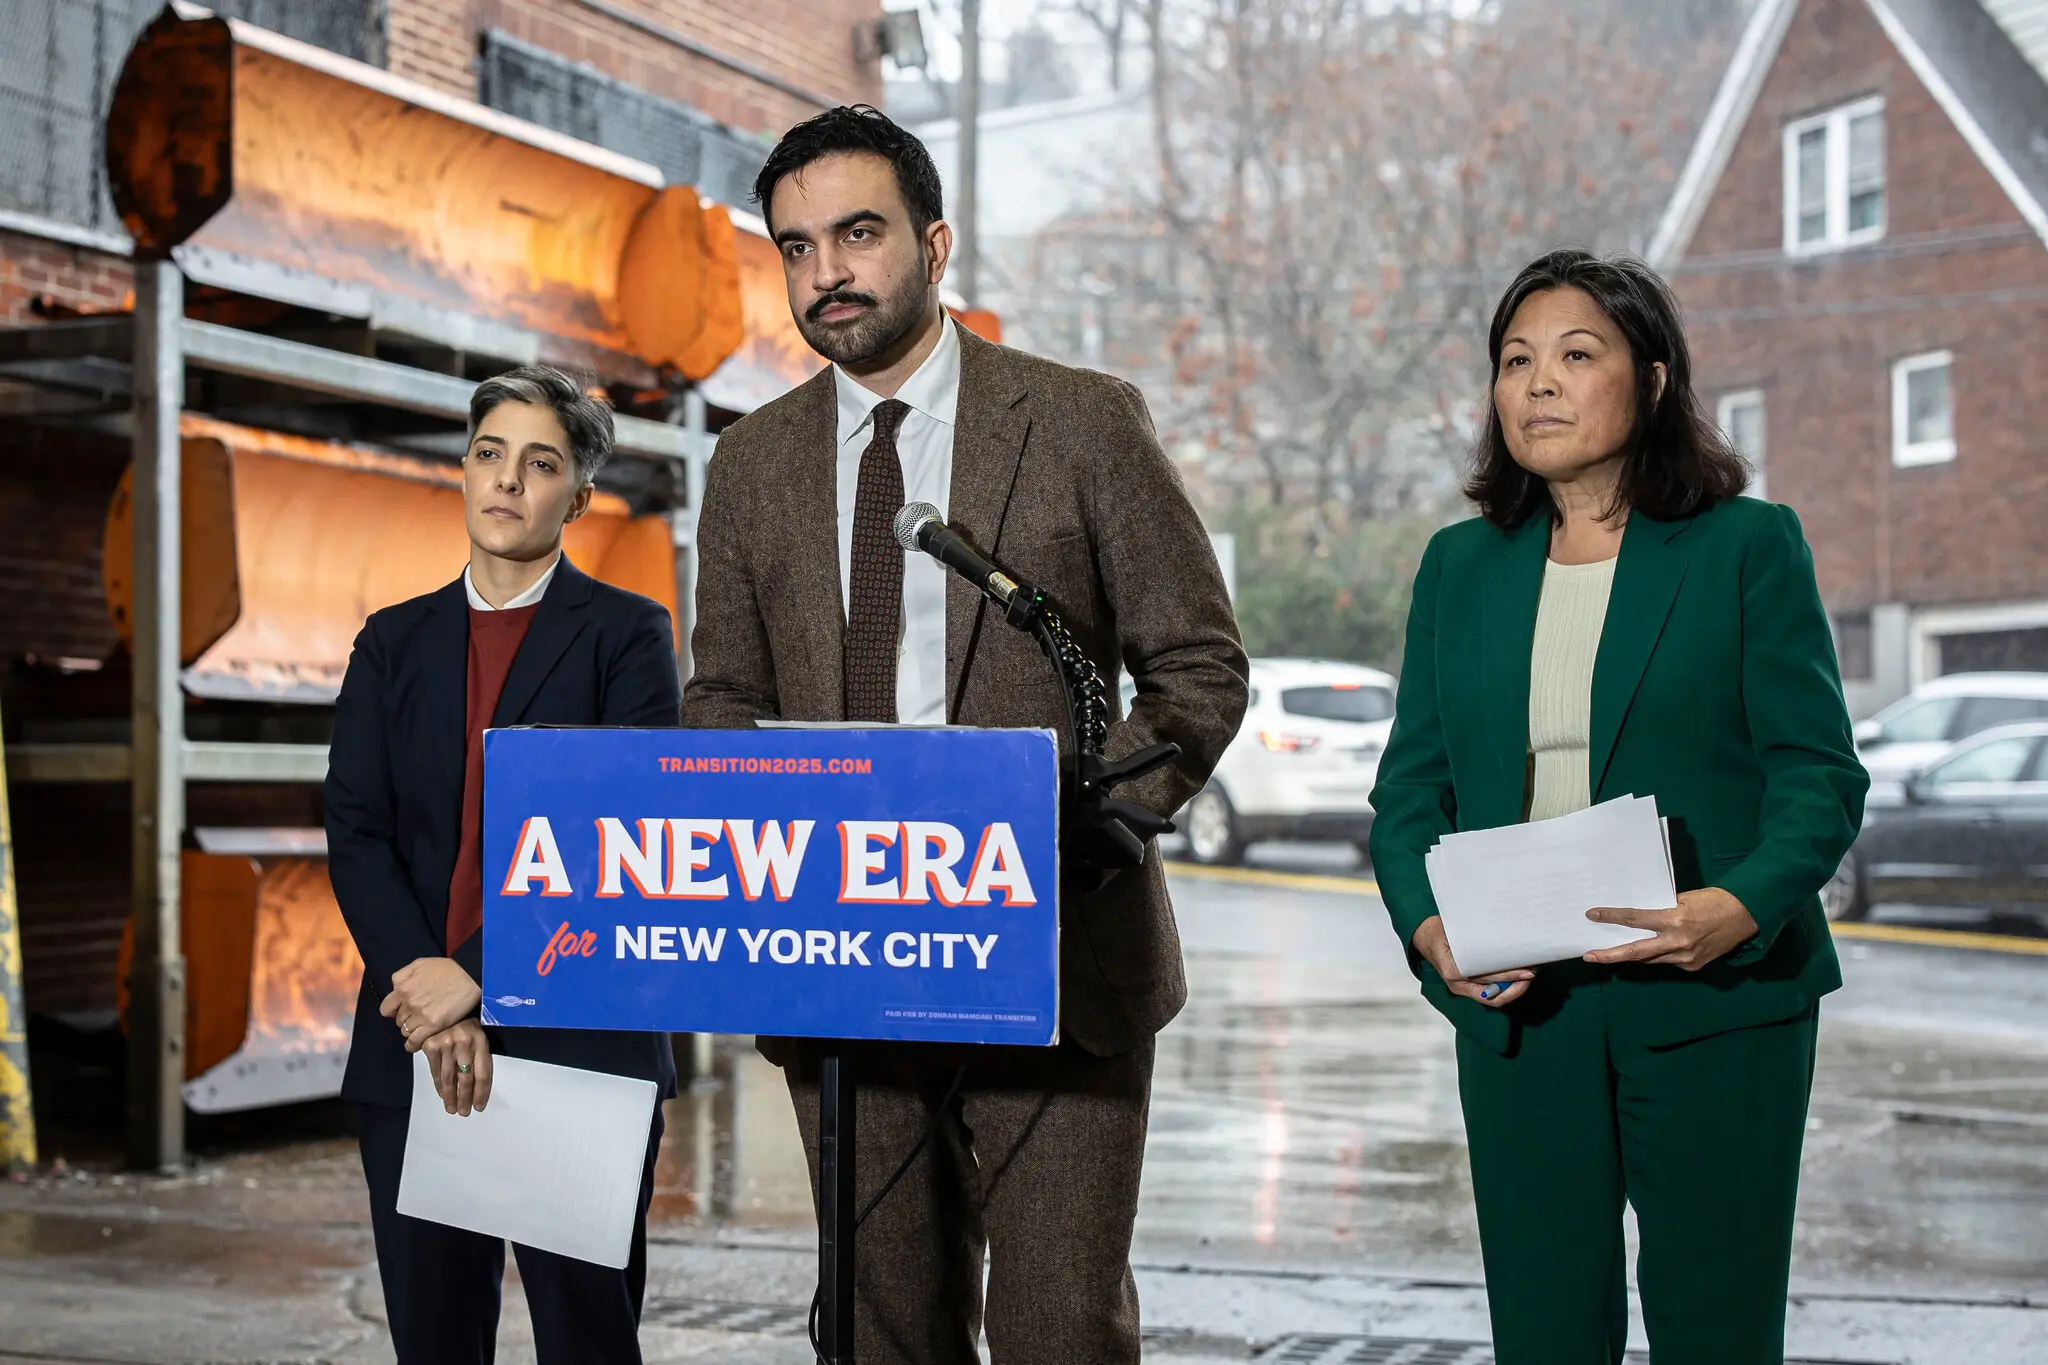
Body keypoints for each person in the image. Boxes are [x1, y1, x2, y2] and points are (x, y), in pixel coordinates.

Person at [683, 105, 1247, 1363]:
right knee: (886, 1331)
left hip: (1052, 952)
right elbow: (717, 697)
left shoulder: (1080, 420)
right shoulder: (751, 465)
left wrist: (1087, 829)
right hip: (840, 963)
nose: (824, 271)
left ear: (934, 245)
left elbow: (1197, 667)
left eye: (857, 232)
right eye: (793, 246)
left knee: (1056, 1332)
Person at [1368, 250, 1868, 1365]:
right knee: (1542, 1331)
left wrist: (1737, 907)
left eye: (1573, 355)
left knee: (1715, 1328)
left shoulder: (1745, 545)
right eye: (1513, 361)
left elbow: (1818, 775)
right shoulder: (1458, 567)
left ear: (1648, 383)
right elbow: (1409, 790)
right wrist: (1426, 925)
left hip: (1710, 991)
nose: (1535, 383)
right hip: (1519, 1002)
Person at [325, 365, 682, 1364]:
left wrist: (473, 978)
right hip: (413, 1045)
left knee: (588, 1339)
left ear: (580, 494)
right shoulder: (392, 641)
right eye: (489, 454)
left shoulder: (626, 635)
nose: (507, 482)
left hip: (577, 1045)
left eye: (540, 463)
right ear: (463, 469)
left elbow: (624, 833)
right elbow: (355, 830)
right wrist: (429, 994)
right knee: (435, 1342)